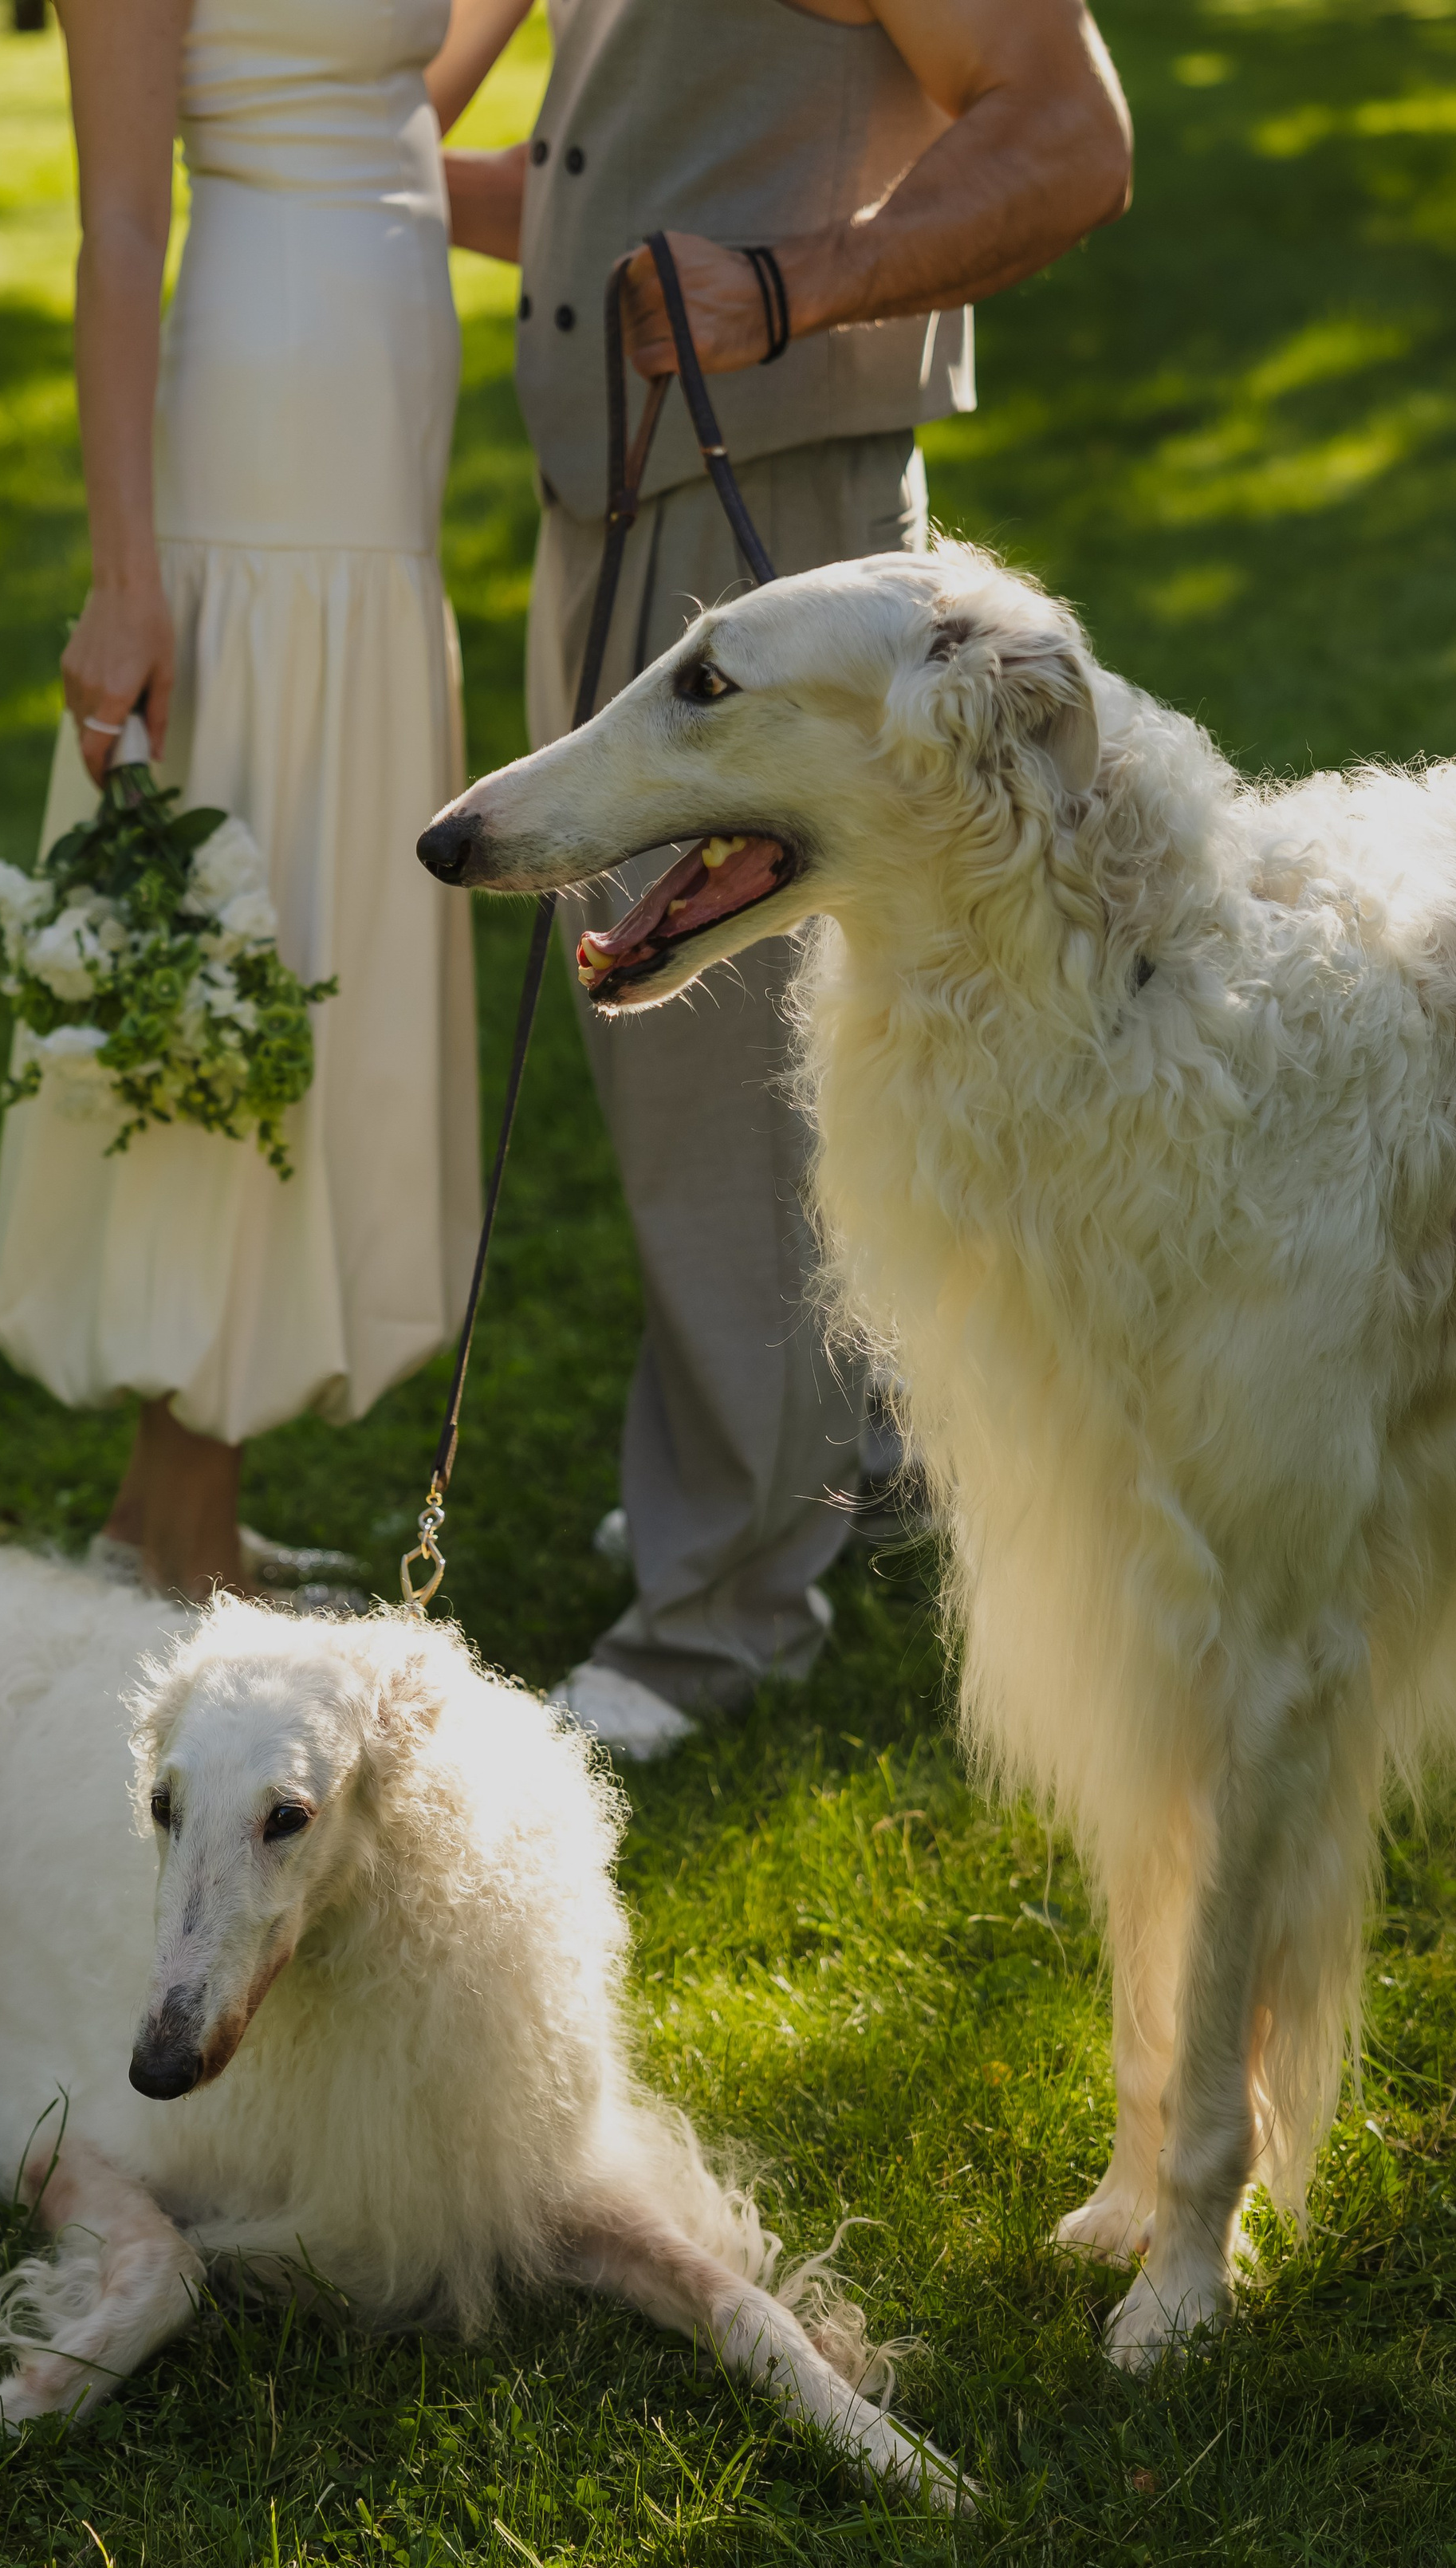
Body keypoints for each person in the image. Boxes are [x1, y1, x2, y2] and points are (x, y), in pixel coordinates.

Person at [447, 0, 1131, 1756]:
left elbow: (1067, 138)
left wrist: (793, 286)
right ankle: (822, 1463)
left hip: (760, 513)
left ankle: (724, 1610)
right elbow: (614, 173)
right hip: (617, 494)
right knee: (673, 1050)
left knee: (721, 1083)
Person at [0, 0, 522, 1603]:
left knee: (313, 928)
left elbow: (393, 84)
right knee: (243, 951)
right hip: (261, 453)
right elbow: (119, 222)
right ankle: (185, 1553)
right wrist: (127, 580)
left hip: (370, 438)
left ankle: (159, 1514)